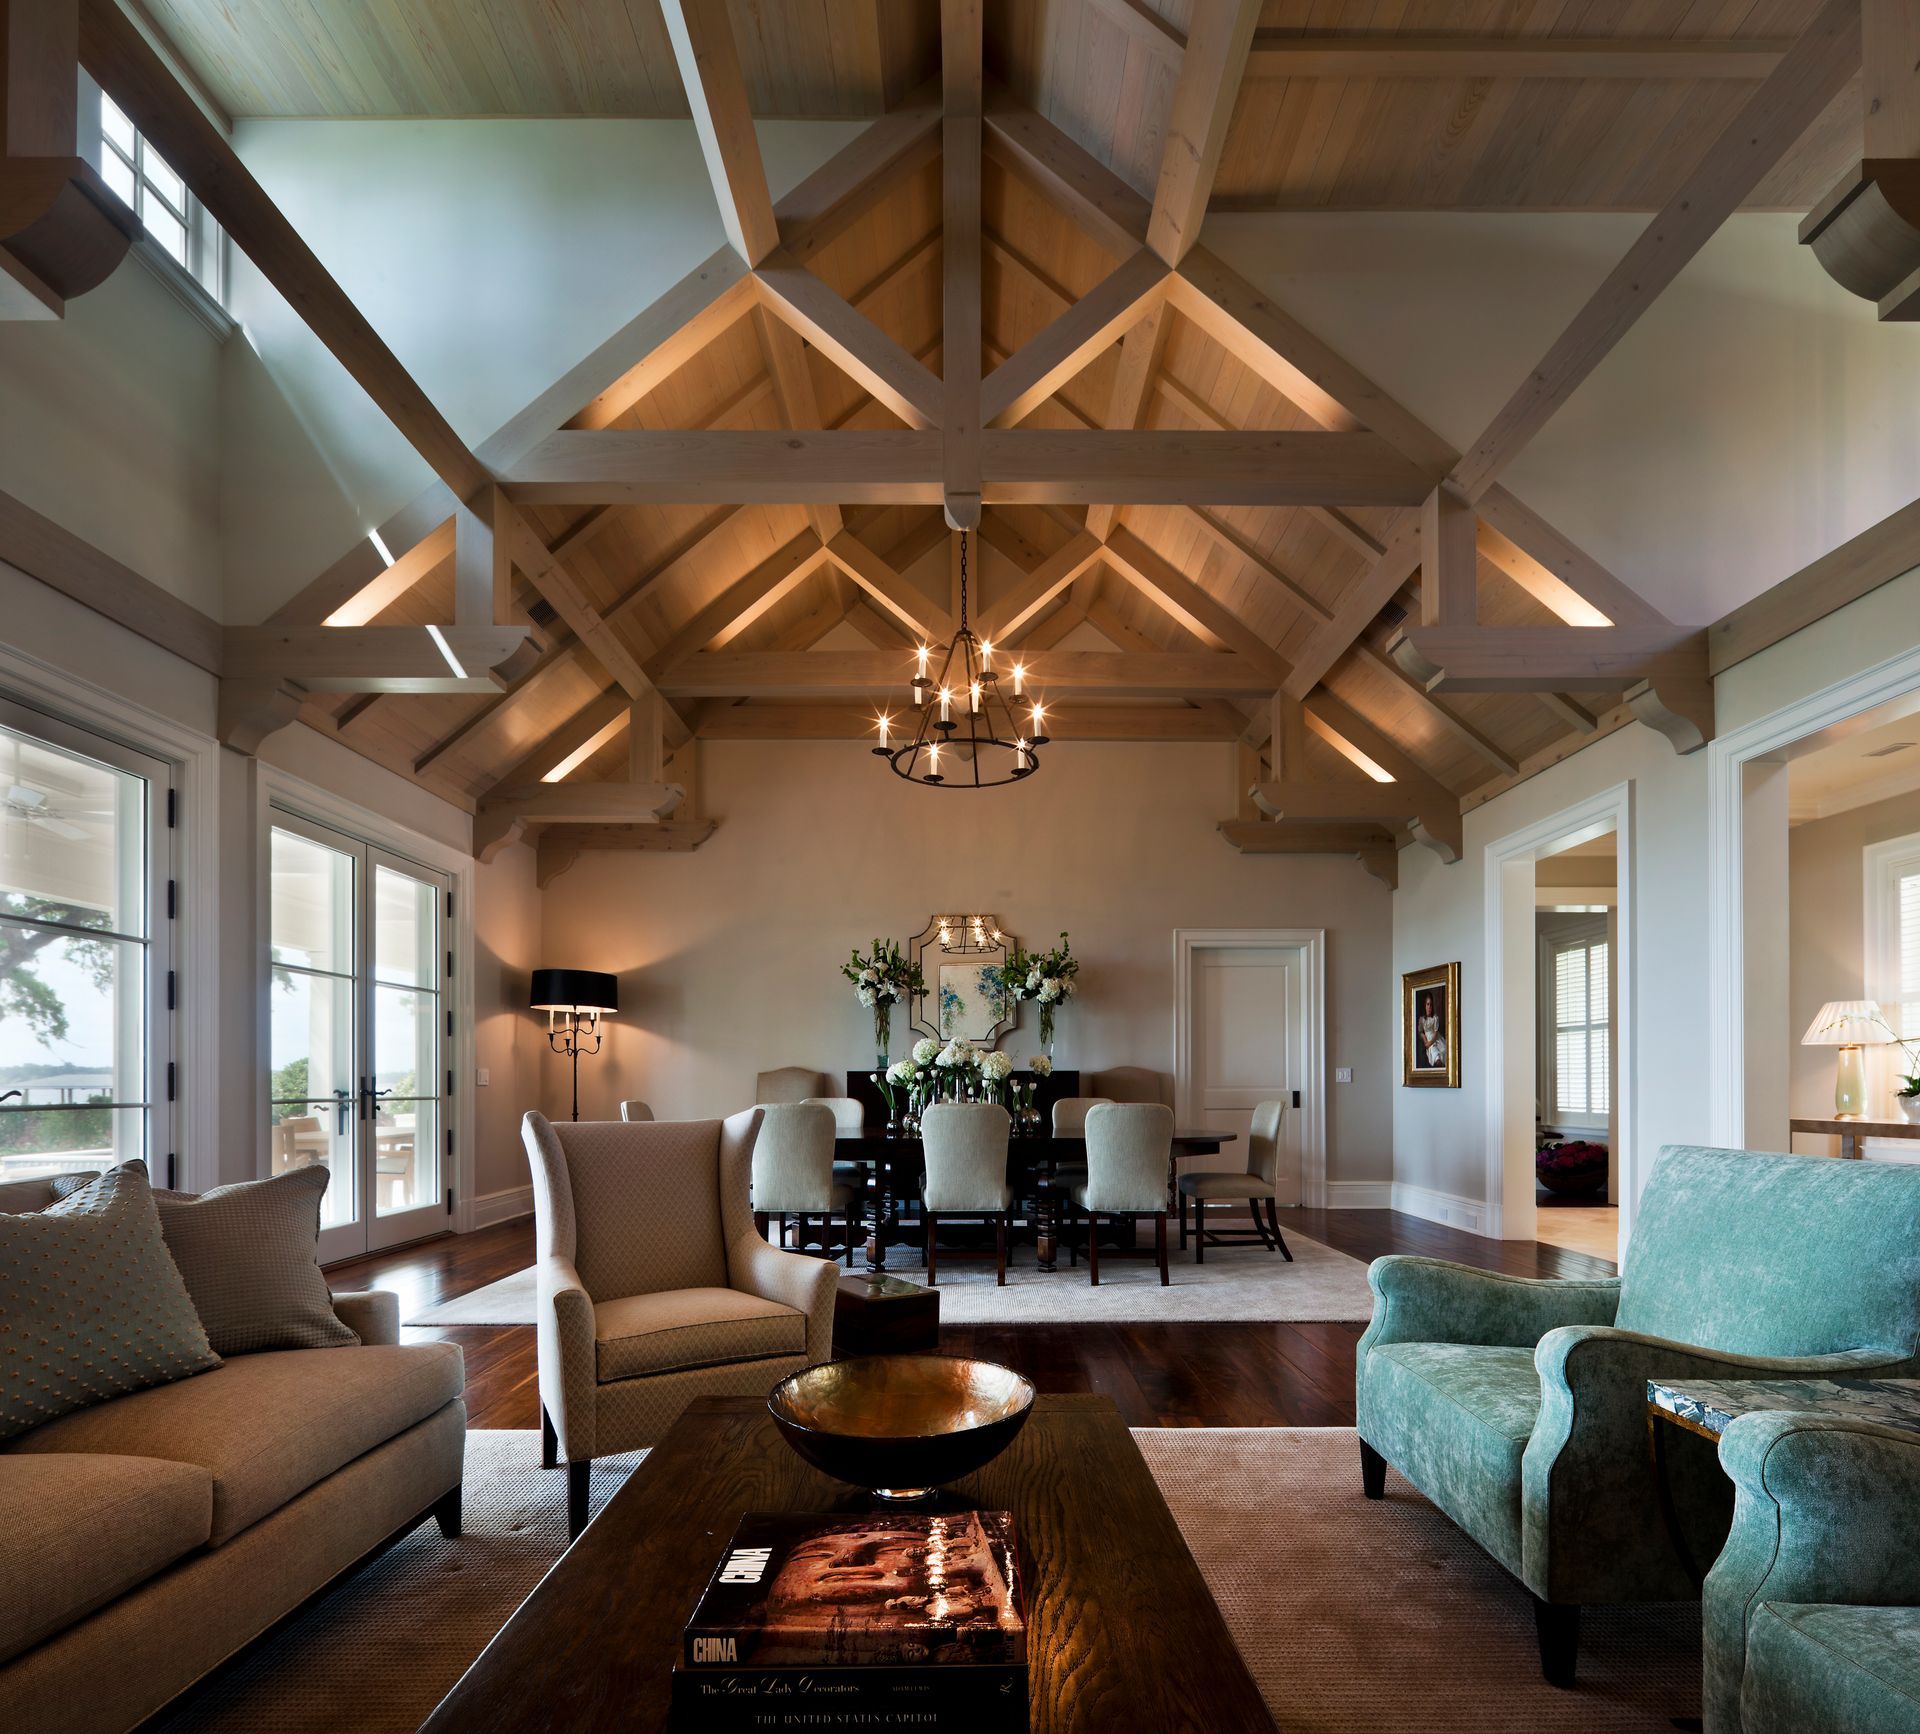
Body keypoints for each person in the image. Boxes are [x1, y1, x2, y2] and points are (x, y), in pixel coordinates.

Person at [1418, 992, 1446, 1069]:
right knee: (1433, 1051)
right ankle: (1437, 1061)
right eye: (1428, 1004)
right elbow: (1421, 1032)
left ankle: (1440, 1063)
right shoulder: (1422, 1019)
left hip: (1435, 1038)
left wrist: (1430, 1042)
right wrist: (1425, 1040)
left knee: (1442, 1049)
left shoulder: (1435, 1017)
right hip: (1428, 1038)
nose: (1429, 1007)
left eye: (1431, 1005)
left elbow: (1436, 1032)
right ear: (1425, 1005)